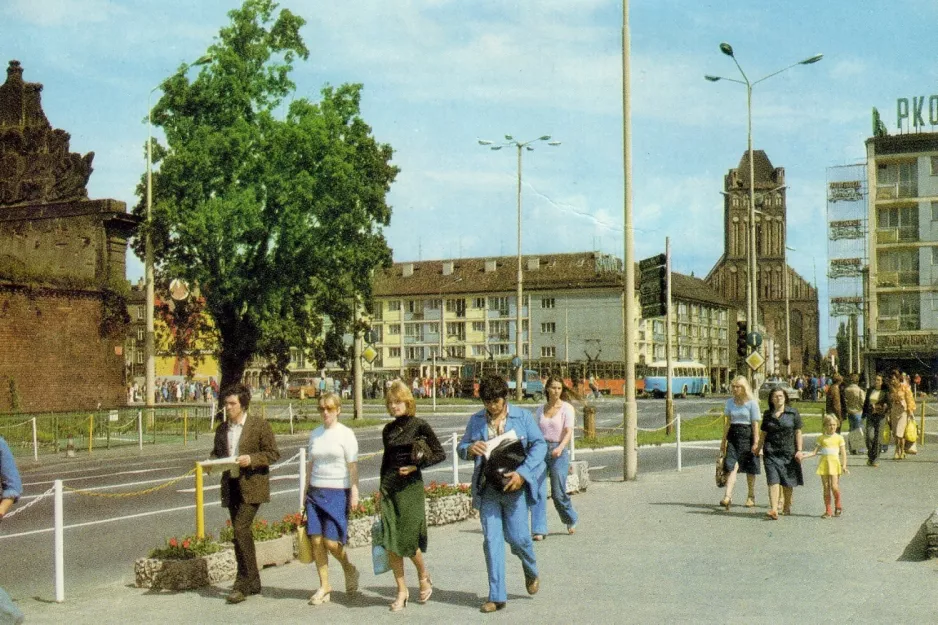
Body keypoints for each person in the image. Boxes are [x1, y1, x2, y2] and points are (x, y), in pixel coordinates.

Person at [458, 375, 546, 614]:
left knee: (518, 539)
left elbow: (540, 446)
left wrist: (523, 474)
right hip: (488, 489)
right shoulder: (476, 420)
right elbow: (461, 447)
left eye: (495, 401)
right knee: (491, 541)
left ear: (504, 398)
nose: (491, 406)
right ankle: (497, 596)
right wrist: (469, 449)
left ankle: (530, 568)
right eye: (487, 402)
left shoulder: (523, 417)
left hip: (514, 488)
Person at [378, 381, 446, 611]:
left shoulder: (420, 425)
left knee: (407, 540)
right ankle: (402, 591)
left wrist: (417, 467)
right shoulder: (388, 430)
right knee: (390, 541)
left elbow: (439, 453)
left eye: (398, 402)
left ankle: (423, 573)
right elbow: (386, 461)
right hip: (390, 486)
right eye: (391, 403)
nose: (394, 406)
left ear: (408, 402)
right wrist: (381, 490)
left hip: (410, 488)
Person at [210, 383, 280, 604]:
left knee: (240, 529)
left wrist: (252, 459)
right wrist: (211, 464)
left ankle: (242, 583)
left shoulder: (259, 426)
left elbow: (273, 453)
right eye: (226, 403)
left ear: (243, 404)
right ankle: (254, 581)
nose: (227, 407)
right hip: (231, 486)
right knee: (241, 532)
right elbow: (217, 453)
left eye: (232, 404)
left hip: (253, 486)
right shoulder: (222, 429)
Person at [305, 392, 360, 606]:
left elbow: (352, 466)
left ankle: (349, 568)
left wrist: (354, 493)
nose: (325, 412)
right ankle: (325, 585)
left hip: (338, 490)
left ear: (338, 409)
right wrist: (304, 493)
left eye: (329, 408)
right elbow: (310, 465)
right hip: (315, 491)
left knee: (330, 542)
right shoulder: (315, 434)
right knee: (316, 540)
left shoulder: (346, 434)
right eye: (321, 408)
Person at [530, 375, 578, 540]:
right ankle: (539, 529)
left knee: (558, 493)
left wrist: (560, 447)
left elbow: (568, 431)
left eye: (559, 388)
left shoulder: (567, 408)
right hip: (541, 450)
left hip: (559, 450)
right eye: (553, 388)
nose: (556, 391)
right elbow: (536, 432)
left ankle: (570, 518)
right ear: (547, 389)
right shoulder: (540, 409)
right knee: (538, 490)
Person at [756, 386, 804, 520]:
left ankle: (787, 505)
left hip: (788, 452)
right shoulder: (767, 414)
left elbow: (798, 432)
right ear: (771, 399)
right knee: (773, 480)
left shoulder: (793, 413)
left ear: (785, 398)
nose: (778, 398)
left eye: (781, 396)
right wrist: (758, 447)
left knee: (788, 482)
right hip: (771, 452)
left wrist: (799, 450)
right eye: (775, 396)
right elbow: (763, 433)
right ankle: (773, 509)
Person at [718, 376, 761, 510]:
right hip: (733, 436)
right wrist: (723, 441)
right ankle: (727, 496)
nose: (735, 389)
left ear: (744, 388)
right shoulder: (730, 402)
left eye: (738, 387)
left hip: (747, 435)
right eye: (733, 386)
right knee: (731, 466)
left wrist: (756, 442)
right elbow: (727, 423)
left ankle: (750, 495)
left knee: (750, 468)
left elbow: (755, 424)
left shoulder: (752, 403)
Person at [800, 415, 848, 518]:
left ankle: (838, 504)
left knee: (834, 487)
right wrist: (803, 456)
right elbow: (814, 452)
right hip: (824, 465)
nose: (832, 427)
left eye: (834, 425)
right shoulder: (821, 438)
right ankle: (828, 510)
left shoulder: (839, 438)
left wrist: (844, 465)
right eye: (830, 425)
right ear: (825, 425)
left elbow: (843, 453)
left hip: (834, 465)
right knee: (826, 487)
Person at [886, 370, 915, 460]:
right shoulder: (890, 389)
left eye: (894, 379)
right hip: (894, 412)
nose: (892, 381)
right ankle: (900, 450)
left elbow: (909, 399)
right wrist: (887, 413)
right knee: (896, 434)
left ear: (899, 379)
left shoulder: (904, 387)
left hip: (903, 412)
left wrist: (910, 412)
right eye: (891, 379)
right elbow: (888, 402)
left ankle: (898, 451)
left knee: (900, 433)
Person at [862, 373, 889, 467]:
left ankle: (875, 459)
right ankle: (870, 456)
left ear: (882, 382)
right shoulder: (870, 390)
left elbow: (888, 404)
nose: (876, 382)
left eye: (878, 380)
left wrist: (883, 406)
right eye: (875, 380)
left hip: (880, 416)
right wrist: (863, 414)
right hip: (870, 415)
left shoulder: (885, 392)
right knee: (869, 436)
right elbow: (866, 403)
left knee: (878, 438)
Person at [842, 374, 866, 455]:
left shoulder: (847, 390)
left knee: (852, 430)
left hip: (850, 412)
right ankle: (860, 449)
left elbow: (845, 401)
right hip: (858, 411)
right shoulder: (859, 391)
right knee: (859, 430)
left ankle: (852, 448)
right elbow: (863, 402)